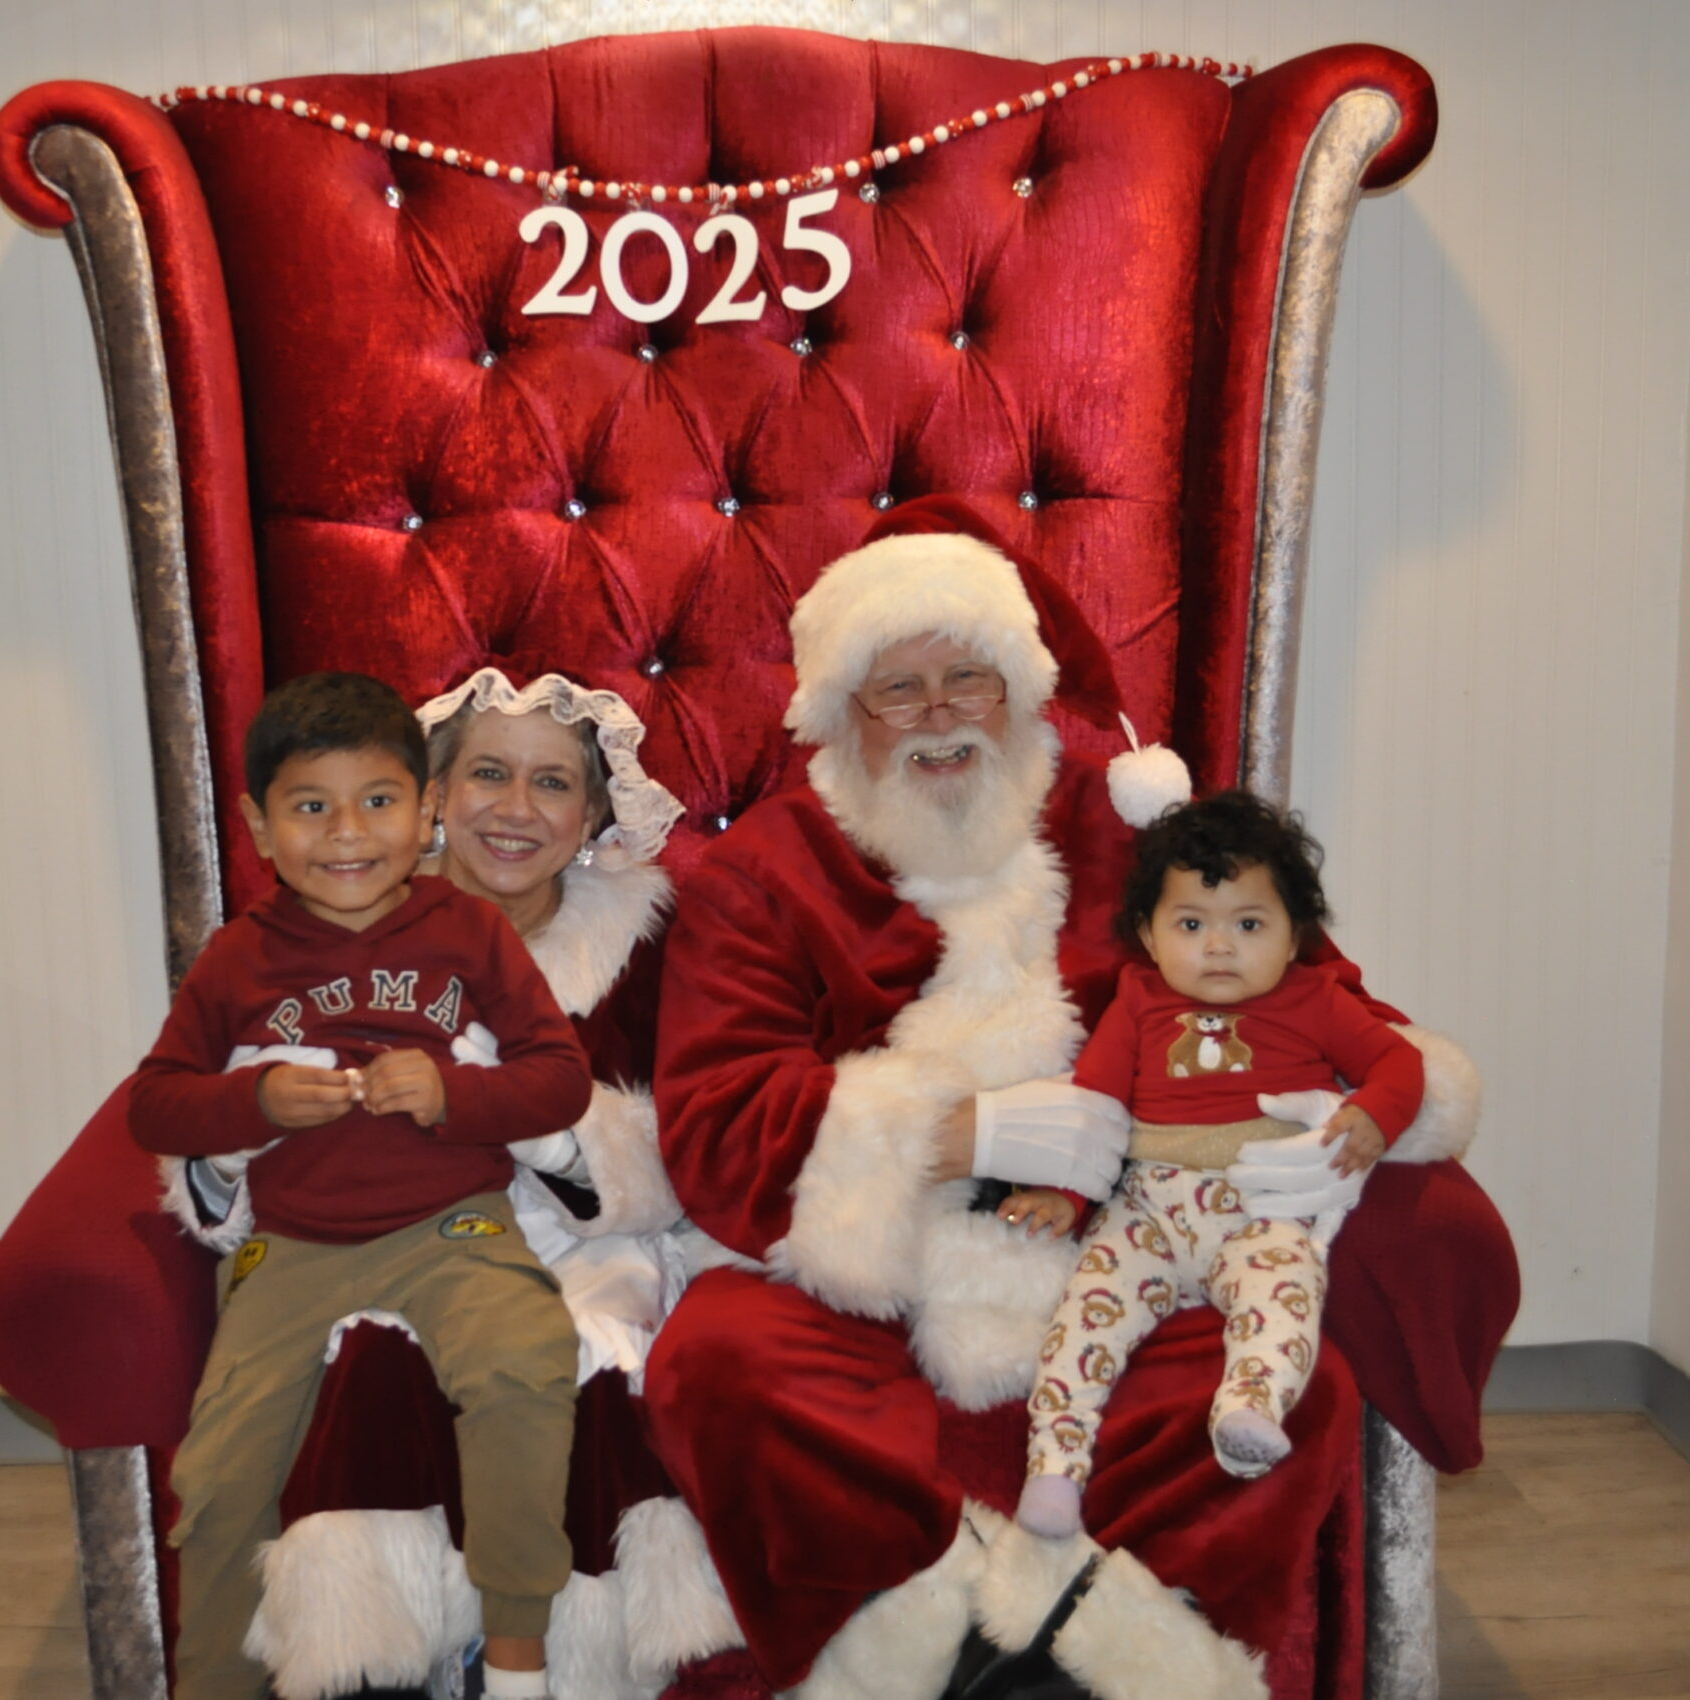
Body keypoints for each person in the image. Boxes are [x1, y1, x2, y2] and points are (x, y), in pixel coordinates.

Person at [642, 496, 1501, 1700]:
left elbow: (1306, 984)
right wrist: (957, 1134)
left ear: (1021, 688)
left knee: (1278, 1382)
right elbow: (716, 1117)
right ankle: (925, 1642)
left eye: (969, 678)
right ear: (839, 712)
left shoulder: (1127, 823)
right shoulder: (765, 871)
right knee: (717, 1363)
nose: (941, 716)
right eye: (899, 690)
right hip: (871, 1260)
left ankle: (1088, 1664)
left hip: (1126, 1235)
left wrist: (1354, 1107)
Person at [165, 668, 725, 1700]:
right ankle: (380, 1659)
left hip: (583, 1244)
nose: (516, 809)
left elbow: (700, 1133)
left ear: (594, 812)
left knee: (563, 1357)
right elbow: (189, 1108)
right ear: (437, 796)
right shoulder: (314, 922)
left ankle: (540, 1664)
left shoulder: (650, 941)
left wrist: (540, 1131)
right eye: (488, 775)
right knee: (365, 1357)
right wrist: (244, 1127)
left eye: (553, 783)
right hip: (355, 1235)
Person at [1009, 791, 1424, 1543]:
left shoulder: (1317, 1000)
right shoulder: (1138, 1001)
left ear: (1296, 937)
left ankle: (1250, 1407)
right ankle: (1054, 1468)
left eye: (1249, 924)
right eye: (1192, 925)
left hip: (1260, 1210)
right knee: (1083, 1315)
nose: (1220, 947)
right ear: (1149, 934)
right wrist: (1066, 1193)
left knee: (1287, 1293)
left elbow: (1398, 1063)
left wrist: (1373, 1114)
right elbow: (1095, 1109)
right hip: (1148, 1211)